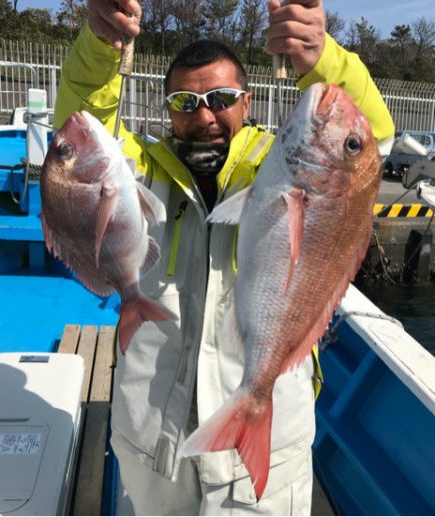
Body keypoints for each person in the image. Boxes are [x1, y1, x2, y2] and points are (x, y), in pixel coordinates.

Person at [54, 0, 395, 514]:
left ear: (248, 102)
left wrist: (318, 55)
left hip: (264, 454)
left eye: (220, 98)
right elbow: (78, 133)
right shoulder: (138, 172)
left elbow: (368, 141)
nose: (205, 115)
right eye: (186, 103)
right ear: (167, 109)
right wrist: (101, 47)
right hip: (153, 451)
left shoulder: (279, 166)